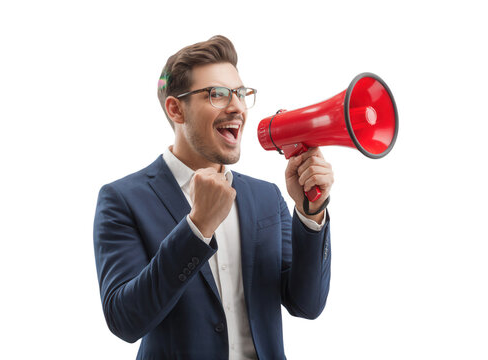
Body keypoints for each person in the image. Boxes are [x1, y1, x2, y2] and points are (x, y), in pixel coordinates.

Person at [93, 35, 334, 360]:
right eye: (217, 94)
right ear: (176, 109)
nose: (236, 106)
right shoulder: (121, 200)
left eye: (240, 93)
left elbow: (307, 304)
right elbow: (125, 320)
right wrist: (197, 228)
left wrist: (311, 214)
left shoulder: (266, 196)